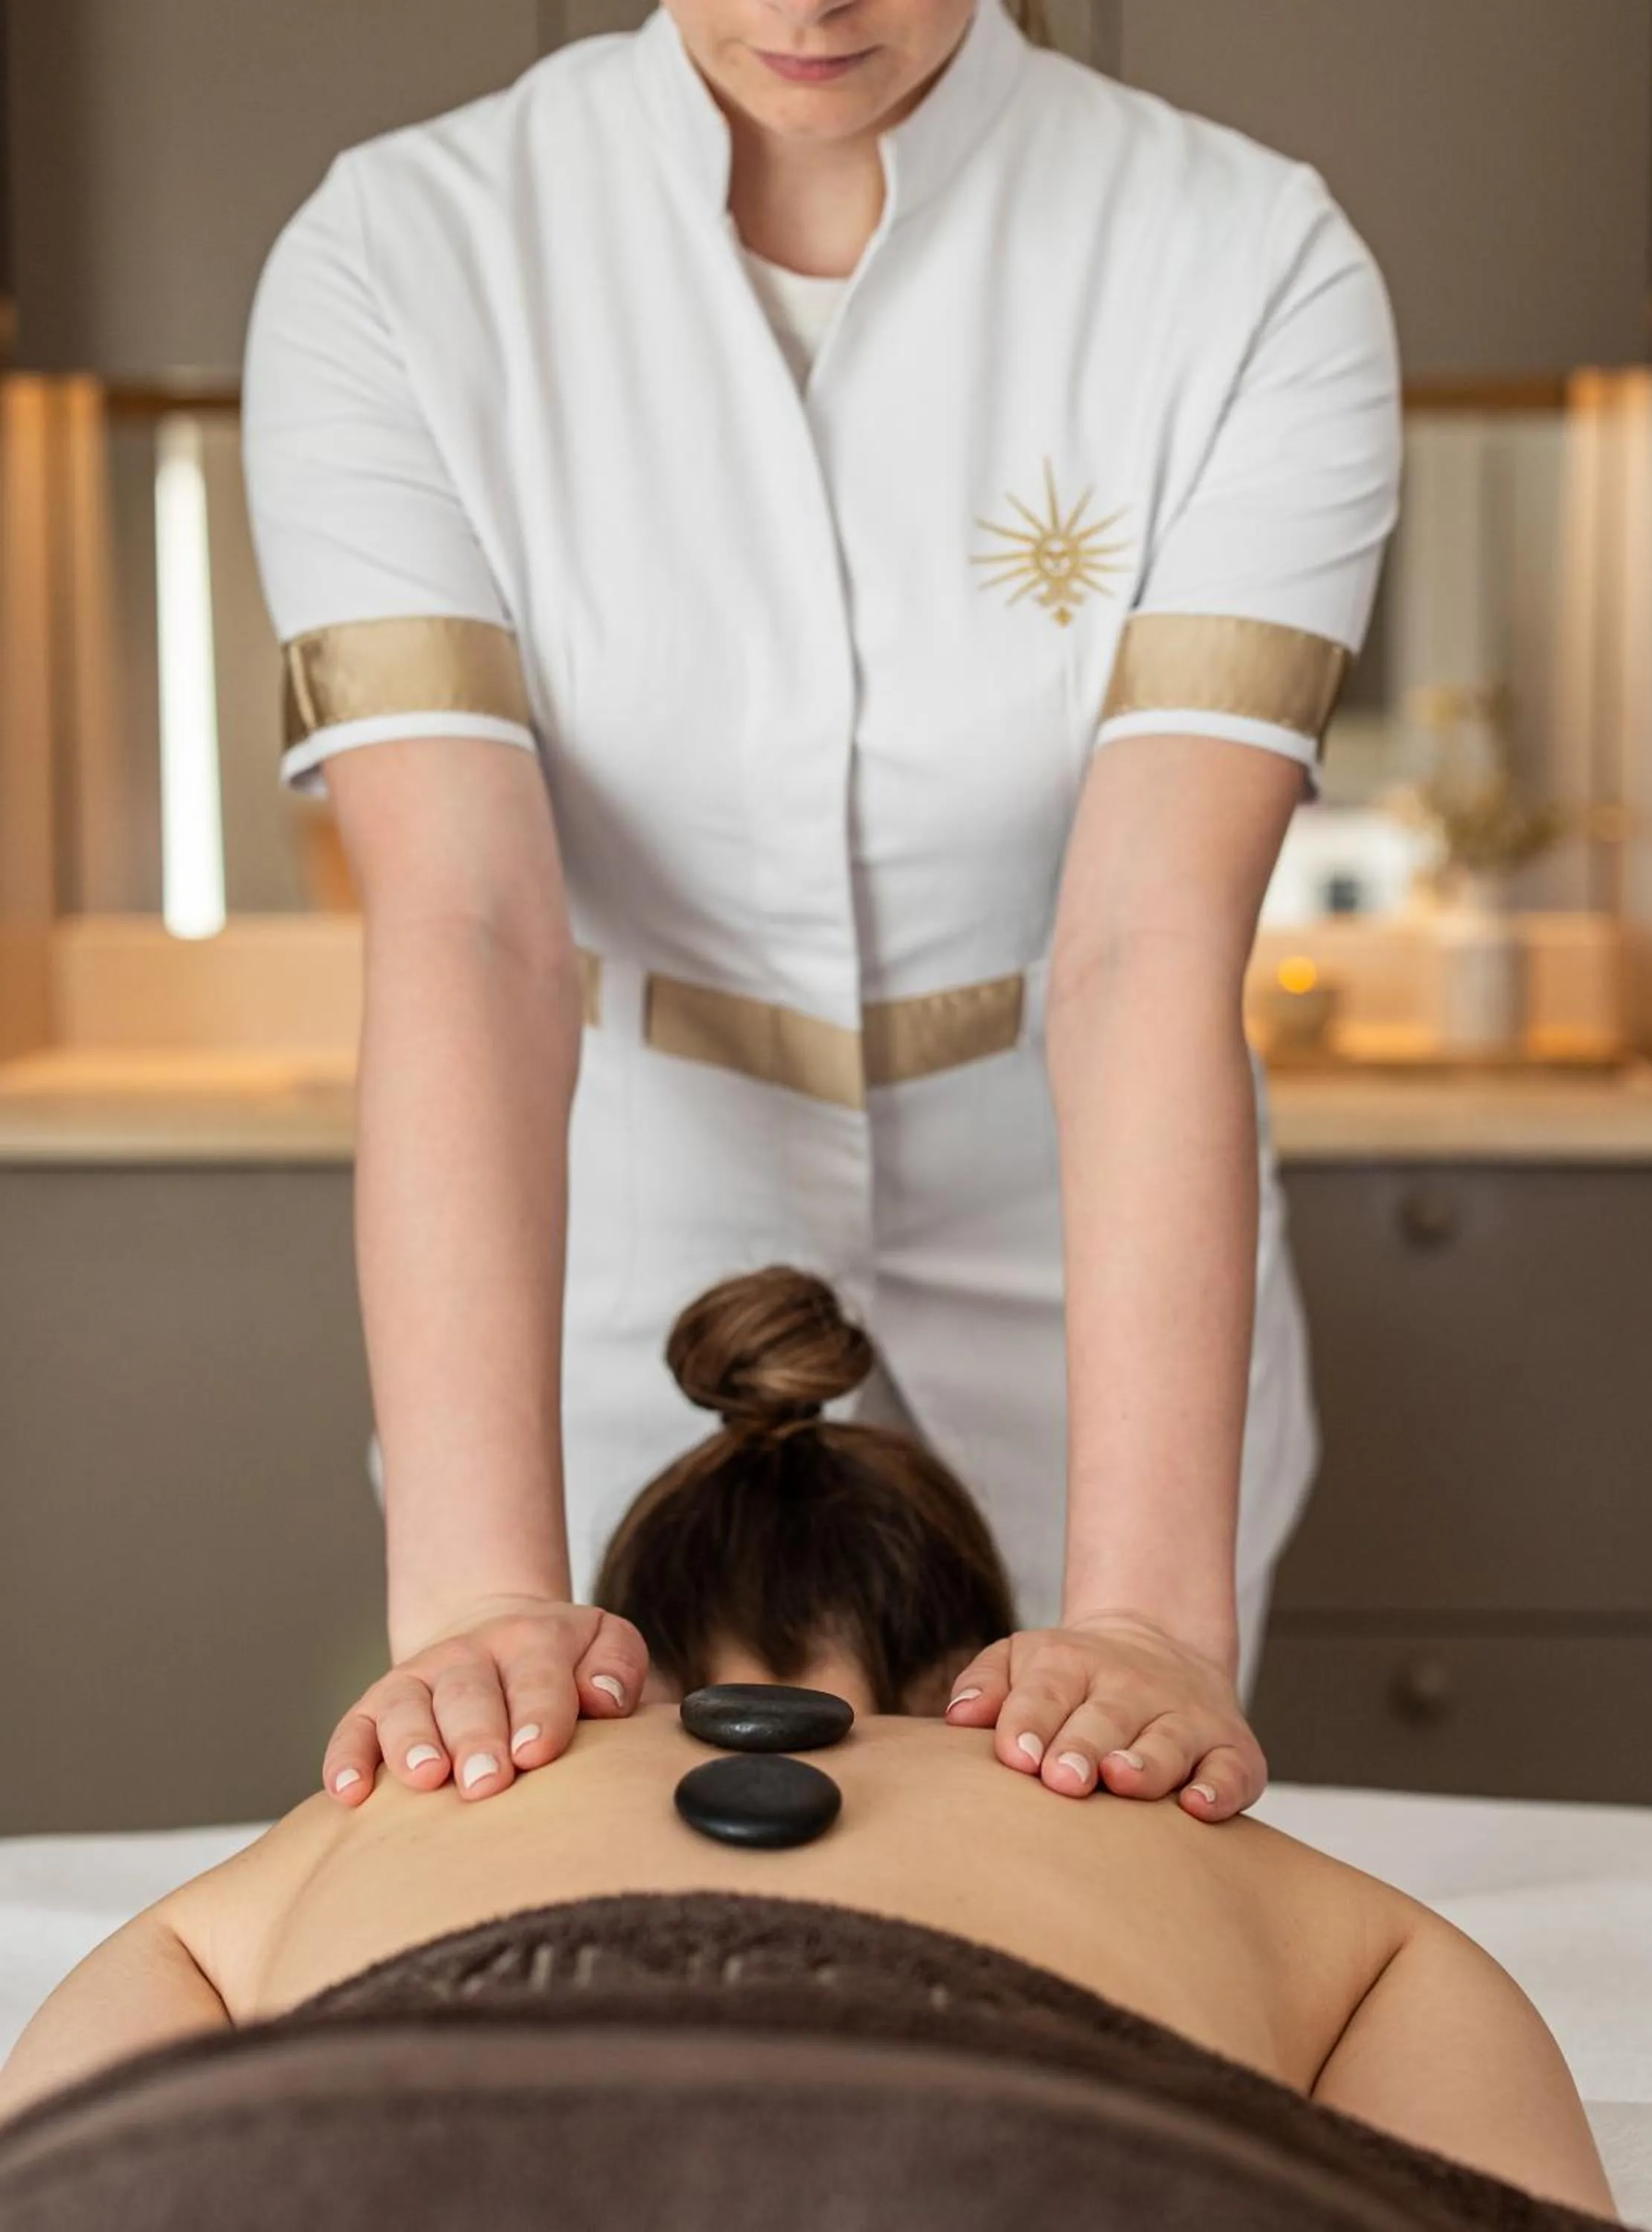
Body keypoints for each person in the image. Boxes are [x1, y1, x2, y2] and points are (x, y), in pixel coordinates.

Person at [244, 0, 1402, 1823]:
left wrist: (1152, 1620)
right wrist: (478, 1596)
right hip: (618, 1211)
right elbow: (470, 926)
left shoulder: (1243, 262)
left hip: (1069, 1206)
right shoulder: (405, 257)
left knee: (1082, 1878)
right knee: (600, 1861)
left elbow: (1147, 942)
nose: (811, 4)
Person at [0, 1274, 1613, 2224]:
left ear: (609, 1684)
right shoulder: (1143, 1802)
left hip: (399, 2118)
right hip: (1041, 2141)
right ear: (977, 1685)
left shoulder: (419, 1794)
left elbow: (83, 2141)